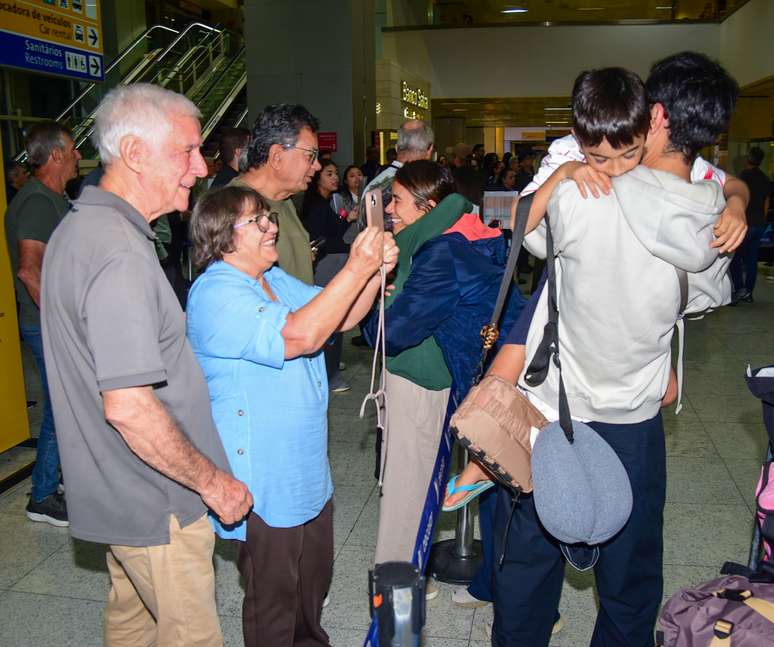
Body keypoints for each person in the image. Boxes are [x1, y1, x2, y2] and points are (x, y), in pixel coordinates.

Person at [489, 56, 740, 646]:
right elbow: (704, 297)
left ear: (654, 117)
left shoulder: (583, 194)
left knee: (530, 560)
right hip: (636, 417)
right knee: (631, 579)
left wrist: (563, 178)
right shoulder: (714, 222)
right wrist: (735, 199)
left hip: (558, 408)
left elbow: (520, 233)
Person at [41, 84, 252, 647]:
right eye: (186, 151)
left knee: (134, 625)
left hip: (122, 495)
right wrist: (213, 484)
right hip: (157, 502)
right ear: (134, 154)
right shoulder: (117, 251)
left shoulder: (81, 228)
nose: (201, 168)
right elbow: (130, 407)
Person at [186, 184, 397, 647]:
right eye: (256, 222)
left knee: (311, 585)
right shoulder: (217, 294)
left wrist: (373, 275)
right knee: (274, 601)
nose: (271, 227)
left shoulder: (273, 277)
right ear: (222, 237)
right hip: (262, 476)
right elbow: (301, 336)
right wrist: (356, 266)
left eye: (269, 217)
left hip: (304, 469)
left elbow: (335, 318)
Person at [363, 160, 526, 575]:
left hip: (430, 381)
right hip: (486, 380)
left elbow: (391, 333)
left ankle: (397, 591)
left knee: (407, 491)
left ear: (427, 206)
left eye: (397, 201)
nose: (390, 210)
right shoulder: (472, 232)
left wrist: (373, 295)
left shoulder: (438, 252)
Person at [4, 121, 80, 527]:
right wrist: (60, 324)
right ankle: (43, 494)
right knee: (59, 408)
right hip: (45, 322)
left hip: (53, 319)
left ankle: (59, 478)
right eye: (72, 150)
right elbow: (29, 272)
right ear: (55, 156)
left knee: (65, 403)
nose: (78, 156)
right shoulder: (35, 202)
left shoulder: (52, 198)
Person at [236, 104, 322, 285]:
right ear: (276, 156)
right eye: (310, 156)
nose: (317, 166)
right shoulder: (234, 210)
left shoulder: (284, 201)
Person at [301, 159, 359, 392]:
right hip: (324, 267)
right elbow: (321, 240)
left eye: (336, 173)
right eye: (329, 174)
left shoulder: (324, 203)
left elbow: (332, 229)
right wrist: (351, 248)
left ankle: (331, 367)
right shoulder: (316, 205)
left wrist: (347, 219)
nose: (335, 177)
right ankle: (329, 374)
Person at [730, 146, 770, 303]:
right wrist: (762, 219)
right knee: (752, 260)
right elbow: (766, 202)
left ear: (748, 159)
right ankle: (748, 292)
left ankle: (740, 289)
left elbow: (738, 199)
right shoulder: (765, 178)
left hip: (745, 224)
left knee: (735, 258)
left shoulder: (743, 177)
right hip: (759, 224)